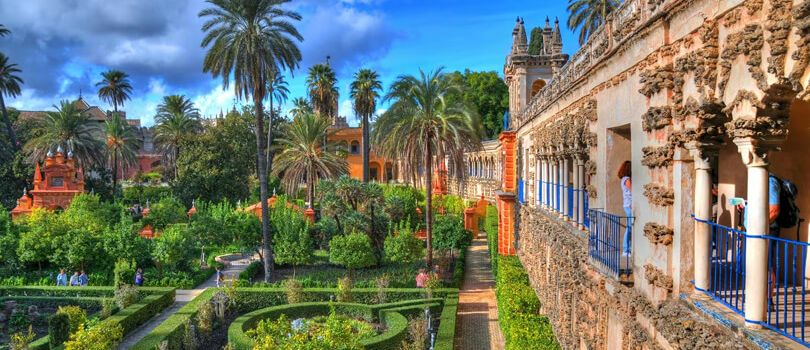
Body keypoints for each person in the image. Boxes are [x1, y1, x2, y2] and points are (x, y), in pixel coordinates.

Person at [618, 161, 633, 257]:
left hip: (627, 205)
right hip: (629, 205)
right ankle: (626, 249)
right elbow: (632, 191)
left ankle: (628, 248)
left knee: (630, 227)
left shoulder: (624, 179)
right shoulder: (627, 179)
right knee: (629, 227)